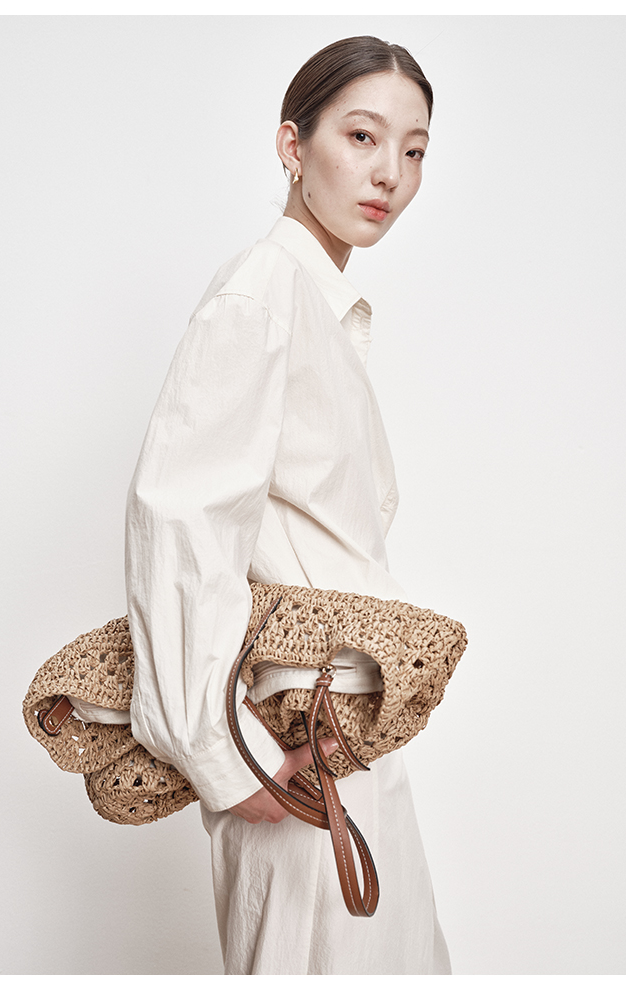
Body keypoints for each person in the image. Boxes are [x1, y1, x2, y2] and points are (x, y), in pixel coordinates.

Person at [125, 35, 451, 975]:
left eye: (415, 150)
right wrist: (223, 758)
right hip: (296, 749)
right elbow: (181, 515)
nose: (390, 174)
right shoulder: (263, 295)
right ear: (292, 145)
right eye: (362, 136)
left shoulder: (315, 305)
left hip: (345, 737)